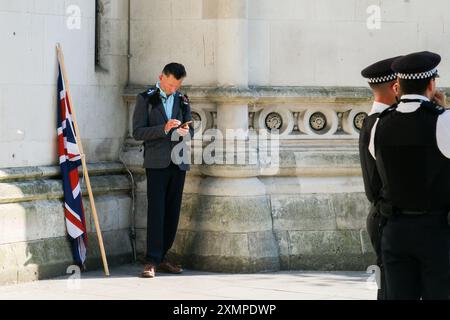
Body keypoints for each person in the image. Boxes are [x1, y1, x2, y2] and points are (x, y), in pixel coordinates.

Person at [369, 51, 450, 299]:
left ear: (398, 86)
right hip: (435, 230)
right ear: (431, 84)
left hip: (395, 231)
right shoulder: (443, 121)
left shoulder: (377, 124)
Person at [132, 63, 194, 278]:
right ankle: (151, 260)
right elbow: (137, 132)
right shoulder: (146, 99)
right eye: (169, 85)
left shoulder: (182, 99)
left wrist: (185, 131)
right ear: (161, 77)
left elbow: (191, 130)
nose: (172, 90)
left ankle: (163, 257)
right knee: (156, 211)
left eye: (176, 86)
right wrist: (164, 129)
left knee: (172, 212)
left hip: (179, 162)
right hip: (156, 163)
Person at [359, 56, 402, 299]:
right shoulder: (382, 124)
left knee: (386, 286)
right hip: (385, 217)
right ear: (395, 85)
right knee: (387, 287)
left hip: (380, 216)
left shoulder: (372, 121)